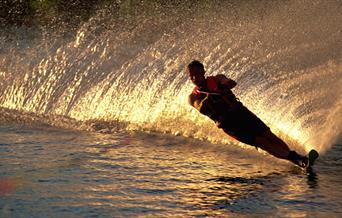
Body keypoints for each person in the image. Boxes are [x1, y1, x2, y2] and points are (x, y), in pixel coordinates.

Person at [187, 60, 317, 168]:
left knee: (269, 136)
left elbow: (231, 82)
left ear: (203, 72)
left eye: (197, 74)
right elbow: (200, 106)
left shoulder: (217, 79)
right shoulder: (193, 97)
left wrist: (223, 86)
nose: (194, 78)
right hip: (230, 125)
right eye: (191, 76)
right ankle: (299, 159)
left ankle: (298, 161)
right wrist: (207, 98)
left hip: (241, 113)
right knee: (261, 142)